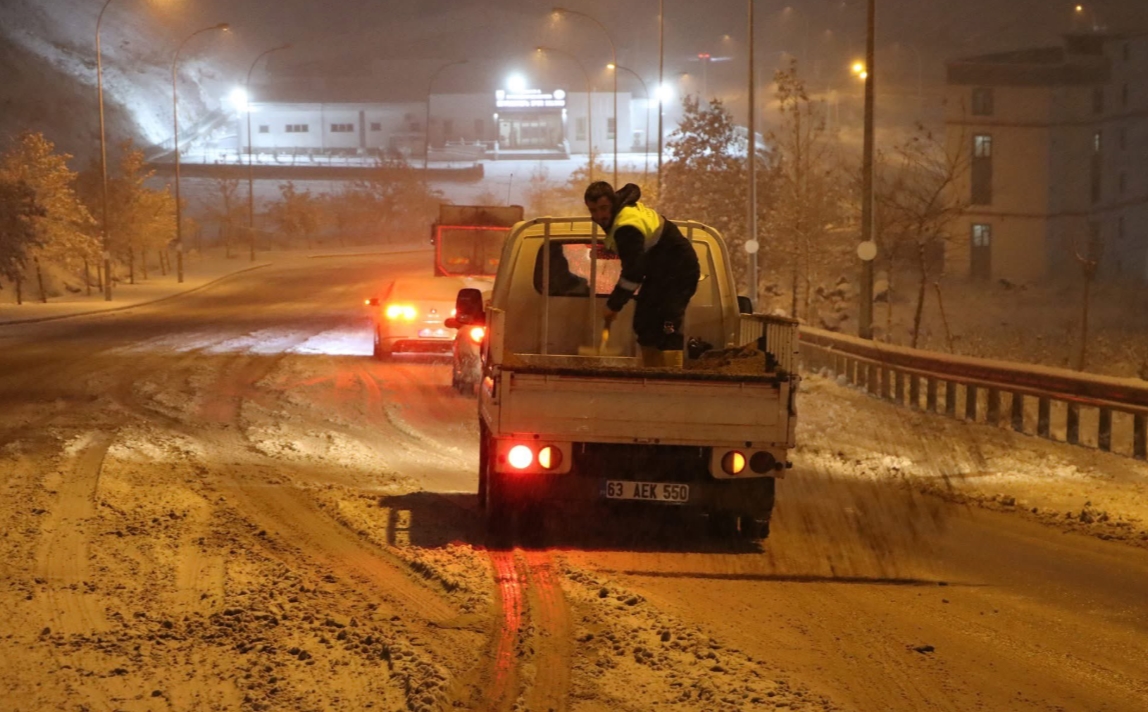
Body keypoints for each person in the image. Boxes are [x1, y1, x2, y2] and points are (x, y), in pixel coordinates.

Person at [584, 181, 700, 368]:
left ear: (612, 204)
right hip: (660, 272)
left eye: (603, 208)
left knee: (668, 326)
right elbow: (637, 258)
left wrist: (614, 305)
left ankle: (671, 380)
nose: (599, 215)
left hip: (679, 272)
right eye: (593, 210)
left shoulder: (626, 226)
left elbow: (633, 273)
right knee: (644, 323)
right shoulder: (621, 217)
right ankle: (653, 375)